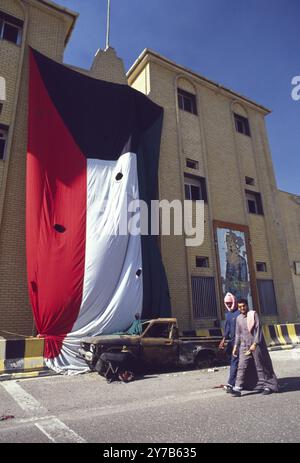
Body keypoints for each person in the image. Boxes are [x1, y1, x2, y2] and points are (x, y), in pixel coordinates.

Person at [230, 298, 279, 397]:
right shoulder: (238, 318)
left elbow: (258, 330)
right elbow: (238, 334)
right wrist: (235, 346)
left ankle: (267, 386)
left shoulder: (253, 314)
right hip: (244, 345)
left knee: (260, 365)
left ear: (247, 306)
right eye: (240, 307)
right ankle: (238, 387)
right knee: (241, 365)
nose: (242, 308)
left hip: (256, 344)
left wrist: (255, 344)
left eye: (243, 306)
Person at [219, 292, 240, 393]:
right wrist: (223, 340)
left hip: (240, 341)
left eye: (229, 302)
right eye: (226, 303)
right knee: (234, 361)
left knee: (234, 362)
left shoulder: (239, 313)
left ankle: (231, 383)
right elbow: (227, 329)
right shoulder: (228, 315)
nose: (228, 305)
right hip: (232, 342)